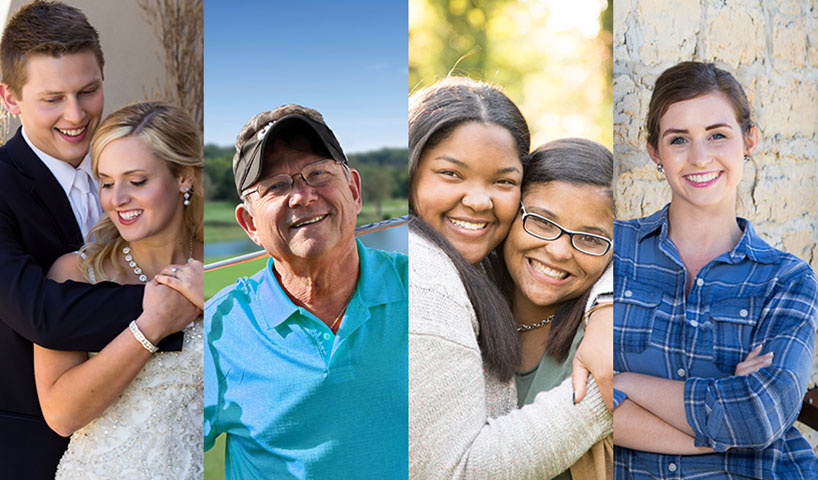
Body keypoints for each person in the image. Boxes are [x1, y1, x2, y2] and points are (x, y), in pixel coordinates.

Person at [0, 3, 196, 478]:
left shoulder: (125, 161)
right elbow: (40, 312)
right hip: (32, 454)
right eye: (53, 99)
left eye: (88, 91)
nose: (76, 114)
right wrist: (171, 306)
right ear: (10, 99)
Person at [613, 61, 818, 478]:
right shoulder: (614, 250)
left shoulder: (788, 280)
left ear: (749, 140)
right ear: (655, 151)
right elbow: (577, 399)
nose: (699, 157)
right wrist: (726, 409)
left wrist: (623, 382)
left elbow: (759, 417)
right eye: (678, 140)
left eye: (717, 135)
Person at [408, 76, 612, 479]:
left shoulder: (479, 262)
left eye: (502, 181)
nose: (479, 201)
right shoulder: (424, 275)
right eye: (451, 173)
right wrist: (610, 392)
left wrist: (613, 302)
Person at [204, 104, 408, 479]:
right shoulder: (217, 330)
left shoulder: (422, 288)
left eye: (317, 173)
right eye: (275, 186)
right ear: (250, 223)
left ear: (354, 190)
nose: (301, 195)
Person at [34, 102, 204, 478]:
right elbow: (61, 415)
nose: (117, 199)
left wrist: (213, 303)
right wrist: (151, 327)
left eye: (137, 181)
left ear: (184, 177)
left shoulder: (224, 264)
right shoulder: (74, 274)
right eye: (107, 182)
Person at [498, 138, 614, 480]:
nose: (560, 251)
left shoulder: (603, 340)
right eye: (542, 222)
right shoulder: (457, 306)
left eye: (591, 238)